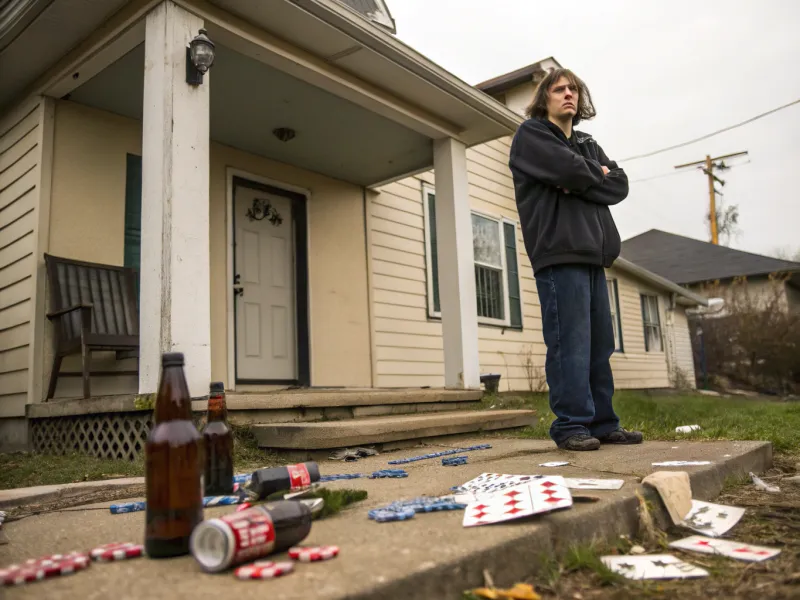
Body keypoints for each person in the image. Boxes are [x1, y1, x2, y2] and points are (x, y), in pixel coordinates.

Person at [508, 68, 643, 451]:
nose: (569, 94)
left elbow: (619, 183)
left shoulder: (586, 142)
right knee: (570, 342)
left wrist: (586, 179)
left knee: (600, 344)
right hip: (558, 252)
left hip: (592, 254)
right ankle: (570, 426)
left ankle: (603, 423)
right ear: (544, 98)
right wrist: (588, 176)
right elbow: (567, 169)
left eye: (574, 89)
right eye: (559, 89)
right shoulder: (532, 135)